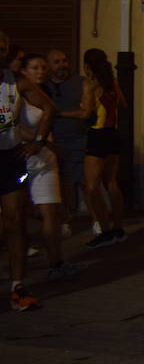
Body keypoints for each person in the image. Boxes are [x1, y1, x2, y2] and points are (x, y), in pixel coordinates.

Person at [1, 30, 56, 311]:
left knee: (16, 220)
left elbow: (48, 107)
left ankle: (18, 286)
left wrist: (38, 141)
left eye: (3, 48)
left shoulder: (15, 81)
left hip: (10, 157)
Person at [17, 54, 79, 280]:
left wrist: (44, 142)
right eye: (35, 68)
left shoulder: (45, 94)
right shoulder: (15, 92)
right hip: (21, 159)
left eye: (43, 67)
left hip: (44, 161)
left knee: (51, 213)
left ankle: (57, 262)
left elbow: (50, 113)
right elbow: (13, 126)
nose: (41, 71)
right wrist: (40, 140)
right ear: (23, 71)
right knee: (15, 215)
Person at [80, 48, 127, 248]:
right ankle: (118, 227)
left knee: (91, 186)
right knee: (112, 183)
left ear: (87, 65)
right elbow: (123, 104)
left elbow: (86, 112)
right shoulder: (112, 83)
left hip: (97, 134)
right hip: (113, 134)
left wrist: (61, 114)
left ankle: (105, 230)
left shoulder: (91, 85)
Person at [42, 48, 86, 231]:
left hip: (77, 139)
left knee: (79, 179)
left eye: (64, 61)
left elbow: (85, 111)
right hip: (53, 139)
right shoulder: (43, 86)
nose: (62, 65)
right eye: (57, 62)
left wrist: (58, 114)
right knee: (59, 181)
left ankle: (89, 218)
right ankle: (64, 217)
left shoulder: (79, 83)